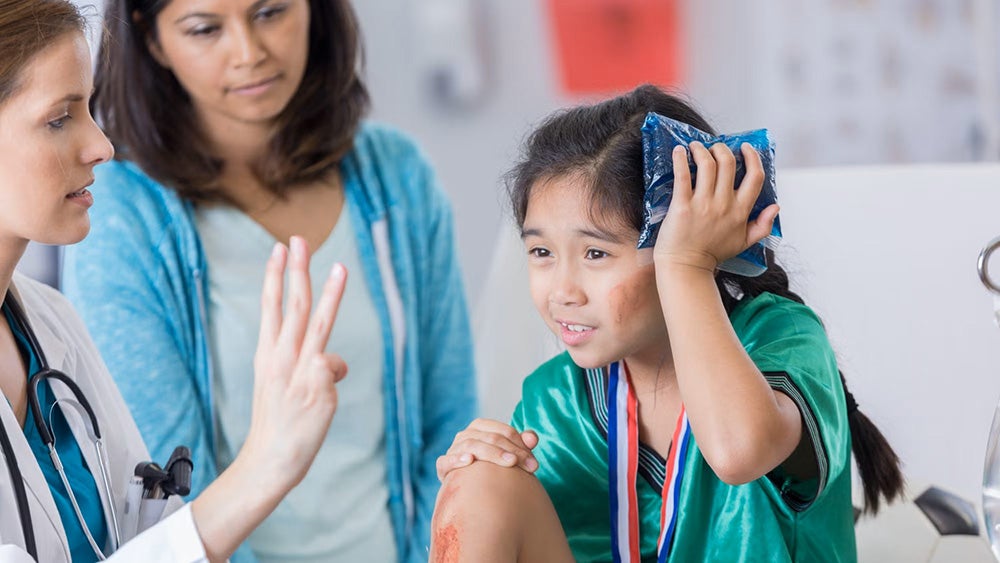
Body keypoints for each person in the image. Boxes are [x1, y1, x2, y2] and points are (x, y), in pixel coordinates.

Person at [59, 0, 476, 561]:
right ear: (153, 39)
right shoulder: (121, 214)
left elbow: (449, 429)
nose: (250, 53)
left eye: (271, 12)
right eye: (206, 29)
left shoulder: (397, 178)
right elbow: (167, 487)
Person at [430, 85, 904, 562]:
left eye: (596, 253)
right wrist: (477, 469)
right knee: (478, 483)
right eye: (541, 253)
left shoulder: (780, 338)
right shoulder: (554, 398)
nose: (562, 291)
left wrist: (686, 265)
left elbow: (738, 452)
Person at [0, 1, 352, 561]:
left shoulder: (50, 323)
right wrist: (264, 464)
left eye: (89, 108)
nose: (102, 146)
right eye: (59, 118)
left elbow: (150, 531)